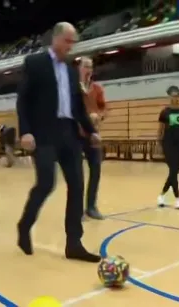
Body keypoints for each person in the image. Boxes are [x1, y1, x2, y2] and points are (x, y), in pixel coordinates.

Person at [16, 22, 101, 263]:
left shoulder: (72, 71)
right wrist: (26, 132)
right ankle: (25, 225)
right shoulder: (35, 63)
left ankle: (74, 243)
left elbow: (77, 107)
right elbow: (23, 100)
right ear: (55, 39)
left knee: (76, 185)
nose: (71, 47)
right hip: (43, 134)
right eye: (67, 41)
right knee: (46, 183)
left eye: (73, 43)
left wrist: (90, 130)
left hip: (68, 133)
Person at [78, 57, 106, 220]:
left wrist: (99, 116)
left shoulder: (97, 88)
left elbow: (104, 107)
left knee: (95, 171)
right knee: (76, 175)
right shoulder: (73, 89)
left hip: (93, 136)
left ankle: (91, 207)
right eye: (85, 66)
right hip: (75, 135)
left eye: (91, 67)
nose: (88, 70)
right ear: (79, 68)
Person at [156, 85, 179, 210]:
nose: (175, 98)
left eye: (177, 96)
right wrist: (159, 145)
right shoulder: (165, 112)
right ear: (170, 97)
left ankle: (162, 195)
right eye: (173, 96)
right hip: (168, 144)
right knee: (173, 171)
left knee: (174, 172)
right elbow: (160, 130)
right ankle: (177, 198)